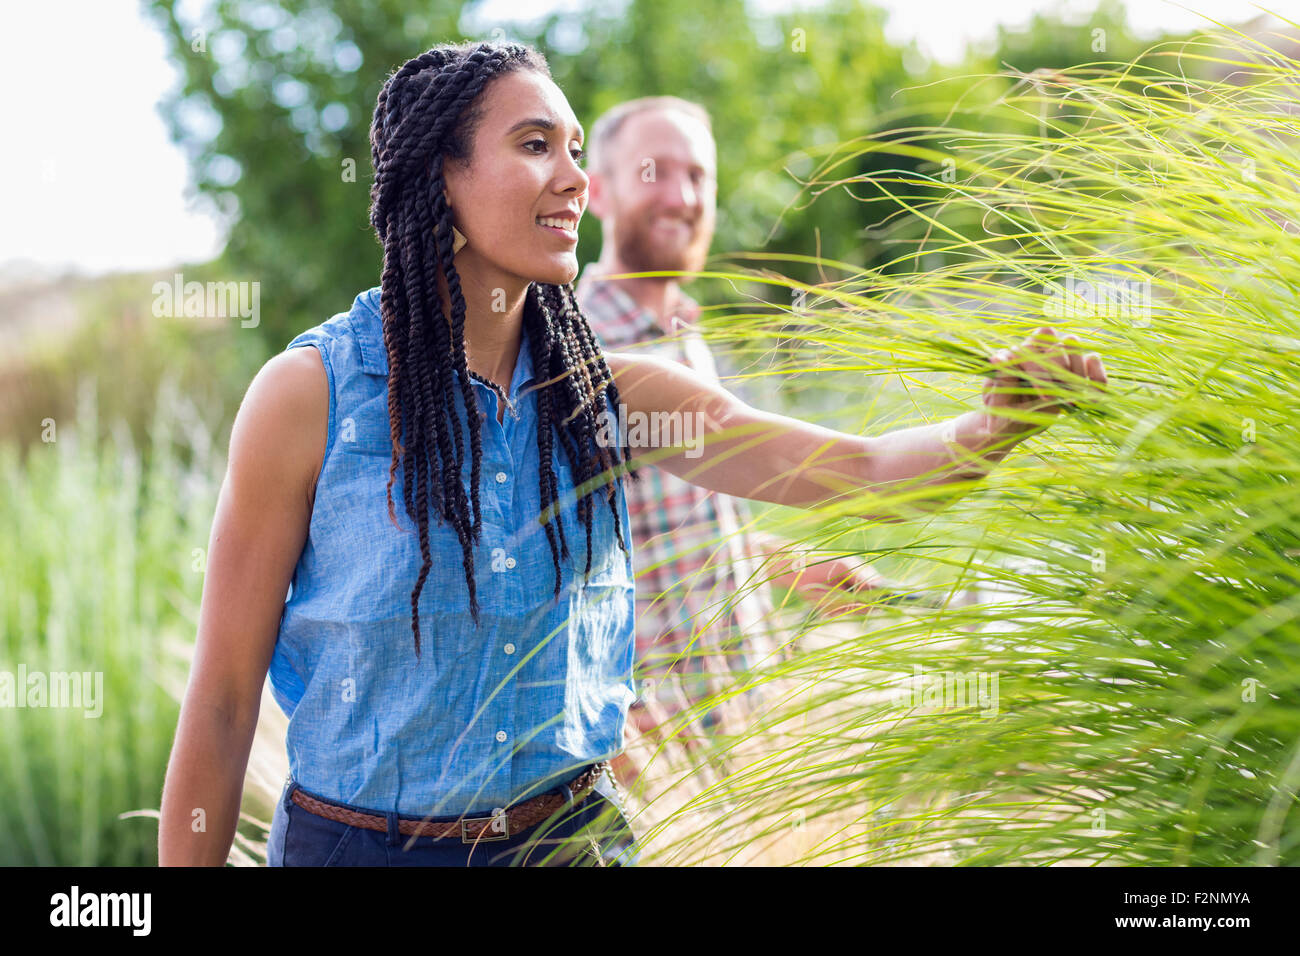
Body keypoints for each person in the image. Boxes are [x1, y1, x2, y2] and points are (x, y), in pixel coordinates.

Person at [156, 41, 1109, 867]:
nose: (574, 178)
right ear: (437, 176)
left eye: (575, 150)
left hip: (569, 841)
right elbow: (225, 700)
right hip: (356, 851)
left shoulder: (614, 398)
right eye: (535, 147)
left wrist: (989, 431)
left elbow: (852, 473)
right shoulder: (310, 398)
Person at [575, 97, 906, 777]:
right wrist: (613, 716)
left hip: (749, 722)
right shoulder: (568, 354)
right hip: (660, 760)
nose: (681, 195)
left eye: (699, 176)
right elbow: (539, 567)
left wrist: (783, 563)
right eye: (653, 171)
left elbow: (656, 526)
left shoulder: (685, 334)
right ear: (596, 191)